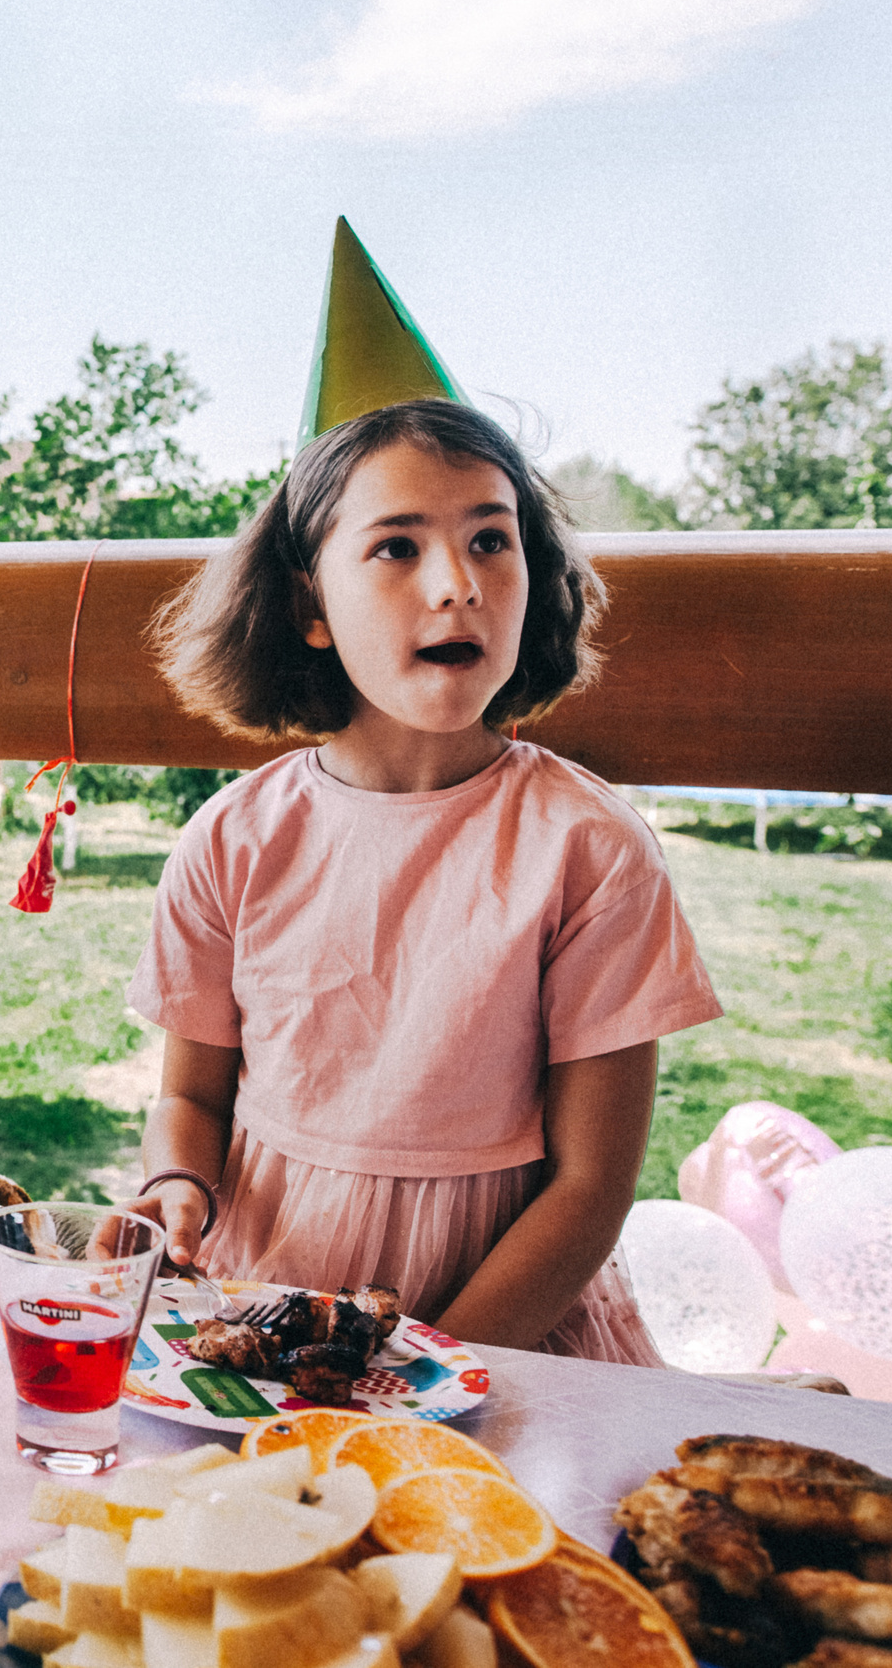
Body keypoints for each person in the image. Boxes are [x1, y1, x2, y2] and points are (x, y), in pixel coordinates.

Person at [113, 396, 721, 1362]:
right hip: (270, 1303)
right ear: (311, 606)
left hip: (506, 1327)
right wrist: (172, 1184)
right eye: (398, 547)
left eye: (492, 538)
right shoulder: (228, 841)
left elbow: (591, 1185)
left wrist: (426, 1369)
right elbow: (191, 1099)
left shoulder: (591, 849)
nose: (458, 583)